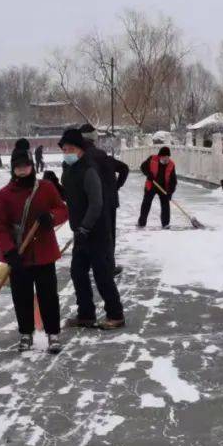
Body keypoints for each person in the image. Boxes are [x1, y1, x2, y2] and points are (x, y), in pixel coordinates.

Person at [0, 151, 68, 354]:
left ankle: (53, 334)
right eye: (18, 167)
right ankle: (26, 333)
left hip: (43, 253)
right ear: (13, 169)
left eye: (26, 166)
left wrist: (51, 217)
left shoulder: (45, 188)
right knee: (21, 296)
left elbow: (62, 209)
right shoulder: (4, 195)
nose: (22, 170)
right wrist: (8, 251)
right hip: (18, 255)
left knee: (48, 296)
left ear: (32, 166)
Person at [58, 128, 125, 329]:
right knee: (77, 273)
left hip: (96, 232)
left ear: (79, 149)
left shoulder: (89, 170)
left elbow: (96, 203)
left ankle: (116, 315)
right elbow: (70, 198)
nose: (66, 152)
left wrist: (86, 228)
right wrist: (54, 185)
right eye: (63, 149)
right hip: (80, 232)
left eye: (69, 148)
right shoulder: (69, 171)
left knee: (102, 274)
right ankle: (86, 314)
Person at [77, 123, 128, 275]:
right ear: (94, 138)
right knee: (108, 234)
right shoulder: (103, 156)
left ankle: (87, 265)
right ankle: (109, 266)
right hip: (108, 202)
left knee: (86, 232)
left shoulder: (80, 157)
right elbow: (124, 168)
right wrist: (116, 186)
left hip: (88, 203)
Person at [138, 147, 177, 229]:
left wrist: (170, 192)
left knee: (165, 204)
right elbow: (143, 167)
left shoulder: (171, 164)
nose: (165, 159)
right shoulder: (152, 159)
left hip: (163, 186)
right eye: (163, 157)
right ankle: (141, 222)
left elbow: (173, 181)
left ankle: (165, 223)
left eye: (167, 157)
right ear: (160, 156)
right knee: (146, 203)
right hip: (152, 184)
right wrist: (149, 174)